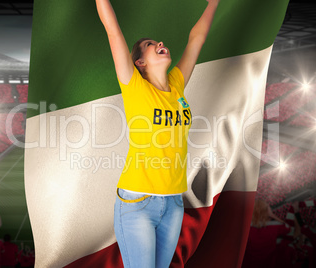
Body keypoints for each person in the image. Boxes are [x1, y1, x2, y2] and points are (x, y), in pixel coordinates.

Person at [95, 0, 219, 267]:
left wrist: (213, 3)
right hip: (138, 202)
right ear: (140, 61)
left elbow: (196, 39)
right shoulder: (134, 85)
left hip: (173, 202)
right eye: (151, 45)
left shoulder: (176, 85)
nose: (160, 43)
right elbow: (112, 30)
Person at [242, 199, 293, 268]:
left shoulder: (244, 229)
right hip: (268, 264)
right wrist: (272, 215)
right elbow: (288, 228)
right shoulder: (274, 226)